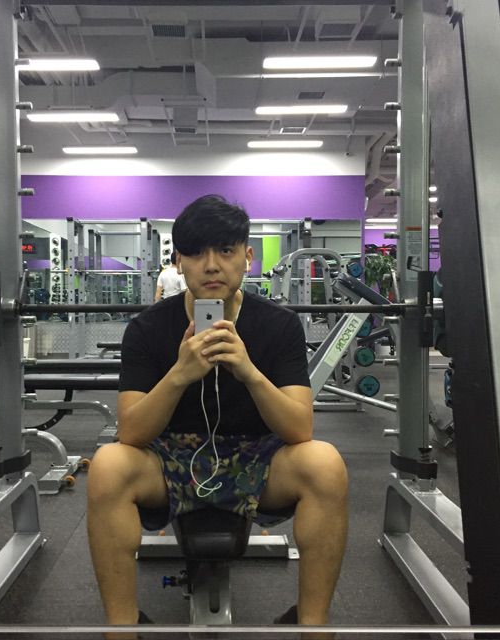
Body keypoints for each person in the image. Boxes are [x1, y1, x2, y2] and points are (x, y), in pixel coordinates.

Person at [87, 195, 348, 638]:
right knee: (108, 464)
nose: (211, 266)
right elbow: (130, 433)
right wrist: (179, 375)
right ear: (178, 262)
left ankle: (313, 626)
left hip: (256, 457)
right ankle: (121, 628)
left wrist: (248, 371)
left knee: (325, 463)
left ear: (247, 257)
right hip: (170, 459)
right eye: (196, 253)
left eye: (226, 251)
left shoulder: (279, 325)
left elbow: (299, 428)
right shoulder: (147, 328)